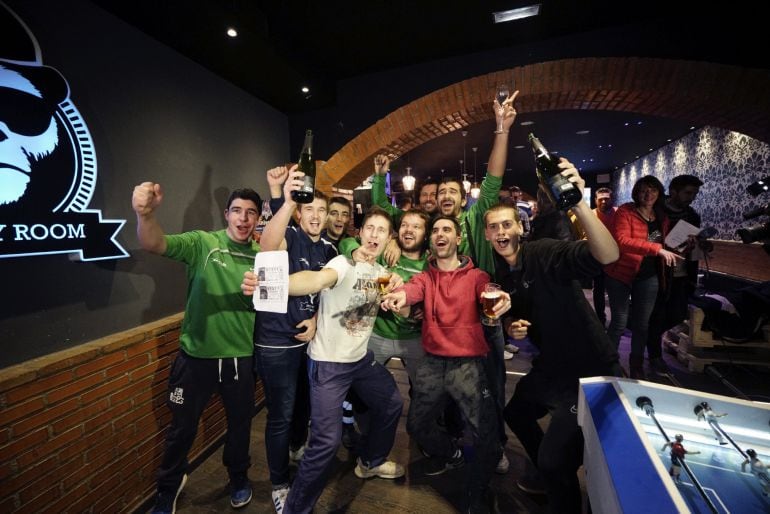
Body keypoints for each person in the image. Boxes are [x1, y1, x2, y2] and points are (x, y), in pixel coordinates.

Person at [242, 206, 405, 514]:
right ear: (361, 232)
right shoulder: (342, 263)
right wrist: (271, 285)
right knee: (326, 444)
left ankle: (370, 462)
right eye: (370, 228)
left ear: (388, 238)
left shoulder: (380, 274)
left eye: (381, 230)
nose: (374, 235)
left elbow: (400, 302)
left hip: (359, 360)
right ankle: (296, 508)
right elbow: (315, 280)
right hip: (329, 364)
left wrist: (400, 291)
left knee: (392, 402)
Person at [483, 157, 622, 514]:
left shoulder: (544, 253)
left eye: (506, 225)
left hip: (589, 370)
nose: (501, 232)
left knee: (553, 462)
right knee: (516, 414)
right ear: (487, 235)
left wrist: (577, 203)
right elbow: (522, 330)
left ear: (520, 228)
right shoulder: (504, 276)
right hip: (551, 369)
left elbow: (607, 255)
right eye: (493, 227)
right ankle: (556, 477)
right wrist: (514, 328)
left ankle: (560, 483)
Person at [133, 182, 261, 513]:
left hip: (239, 359)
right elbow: (153, 242)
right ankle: (169, 487)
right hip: (195, 359)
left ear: (258, 219)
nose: (243, 218)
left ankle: (238, 478)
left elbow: (273, 307)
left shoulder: (264, 258)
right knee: (181, 429)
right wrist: (144, 214)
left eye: (251, 213)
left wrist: (265, 291)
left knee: (239, 427)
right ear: (226, 214)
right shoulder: (203, 243)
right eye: (237, 211)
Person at [382, 215, 511, 513]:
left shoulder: (477, 276)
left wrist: (501, 300)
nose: (440, 234)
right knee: (416, 425)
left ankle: (476, 492)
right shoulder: (425, 277)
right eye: (436, 230)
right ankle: (452, 452)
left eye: (447, 230)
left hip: (469, 366)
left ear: (458, 240)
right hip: (432, 362)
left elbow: (489, 294)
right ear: (432, 241)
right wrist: (400, 296)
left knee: (489, 438)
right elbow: (411, 290)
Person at [256, 166, 338, 512]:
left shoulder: (331, 250)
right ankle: (278, 483)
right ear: (301, 212)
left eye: (323, 211)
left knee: (302, 407)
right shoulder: (290, 235)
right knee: (280, 414)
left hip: (311, 344)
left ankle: (297, 447)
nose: (317, 216)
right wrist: (287, 200)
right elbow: (266, 243)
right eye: (311, 210)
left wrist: (317, 318)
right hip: (276, 342)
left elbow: (332, 296)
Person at [340, 208, 431, 384]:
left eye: (416, 226)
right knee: (364, 385)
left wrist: (425, 309)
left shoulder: (430, 264)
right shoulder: (384, 255)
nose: (409, 230)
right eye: (404, 225)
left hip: (415, 338)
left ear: (426, 234)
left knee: (423, 391)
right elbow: (347, 242)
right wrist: (354, 251)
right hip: (377, 334)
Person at [604, 175, 682, 379]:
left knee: (642, 323)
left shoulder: (661, 217)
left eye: (653, 190)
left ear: (659, 193)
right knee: (619, 321)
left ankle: (636, 363)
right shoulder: (625, 211)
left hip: (649, 276)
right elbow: (622, 241)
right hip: (620, 272)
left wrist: (685, 243)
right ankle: (608, 363)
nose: (649, 194)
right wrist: (657, 249)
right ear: (637, 192)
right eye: (644, 190)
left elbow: (664, 244)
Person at [646, 175, 703, 375]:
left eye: (695, 193)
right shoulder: (657, 210)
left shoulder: (693, 215)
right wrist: (665, 243)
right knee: (657, 315)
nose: (692, 197)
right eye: (688, 193)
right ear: (674, 191)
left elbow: (694, 247)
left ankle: (650, 338)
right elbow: (648, 237)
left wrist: (696, 245)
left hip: (682, 272)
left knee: (677, 314)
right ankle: (655, 356)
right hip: (659, 271)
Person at [591, 187, 617, 325]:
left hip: (616, 259)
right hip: (598, 258)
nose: (603, 201)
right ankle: (600, 318)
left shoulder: (619, 213)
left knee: (616, 290)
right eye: (600, 199)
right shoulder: (591, 215)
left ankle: (618, 319)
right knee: (598, 290)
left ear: (611, 199)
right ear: (595, 200)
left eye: (606, 199)